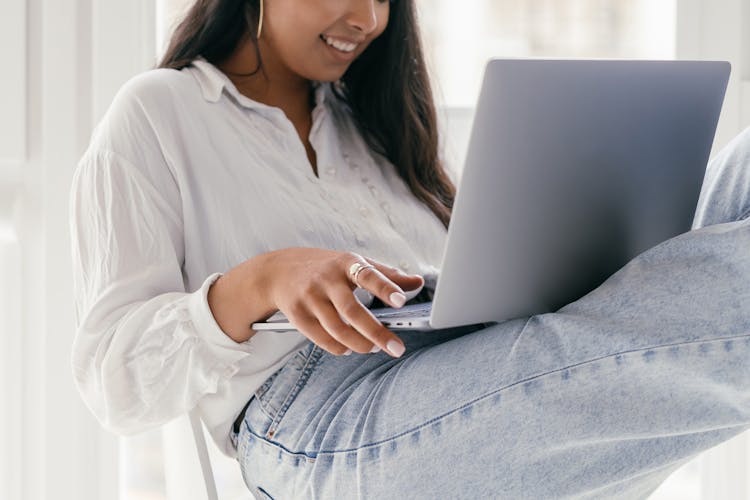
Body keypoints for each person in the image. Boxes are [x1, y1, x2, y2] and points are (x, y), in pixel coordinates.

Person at [69, 0, 750, 498]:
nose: (367, 17)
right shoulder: (160, 112)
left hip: (466, 372)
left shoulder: (379, 130)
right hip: (321, 421)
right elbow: (114, 381)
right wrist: (257, 282)